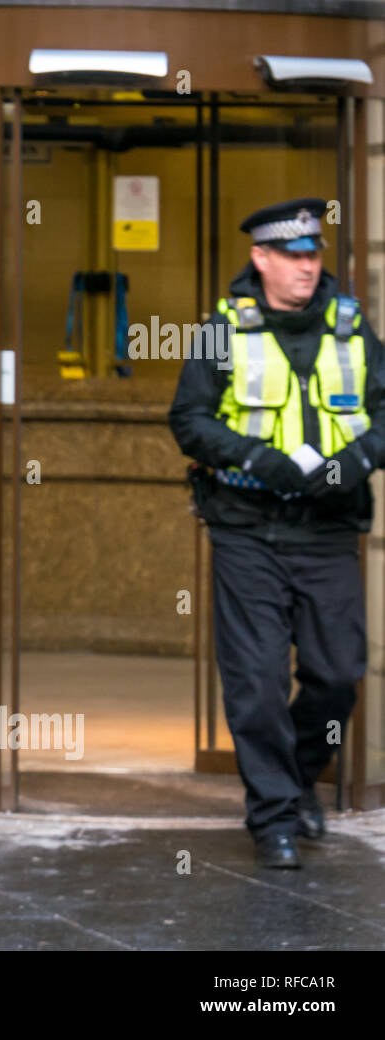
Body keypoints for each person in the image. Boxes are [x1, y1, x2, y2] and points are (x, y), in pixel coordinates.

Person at [169, 198, 385, 869]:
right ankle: (274, 818)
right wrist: (261, 459)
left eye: (312, 255)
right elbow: (189, 421)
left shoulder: (353, 328)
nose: (305, 267)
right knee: (257, 683)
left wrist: (351, 463)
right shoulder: (219, 330)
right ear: (260, 258)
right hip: (247, 530)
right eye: (291, 256)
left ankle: (294, 781)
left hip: (326, 530)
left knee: (338, 672)